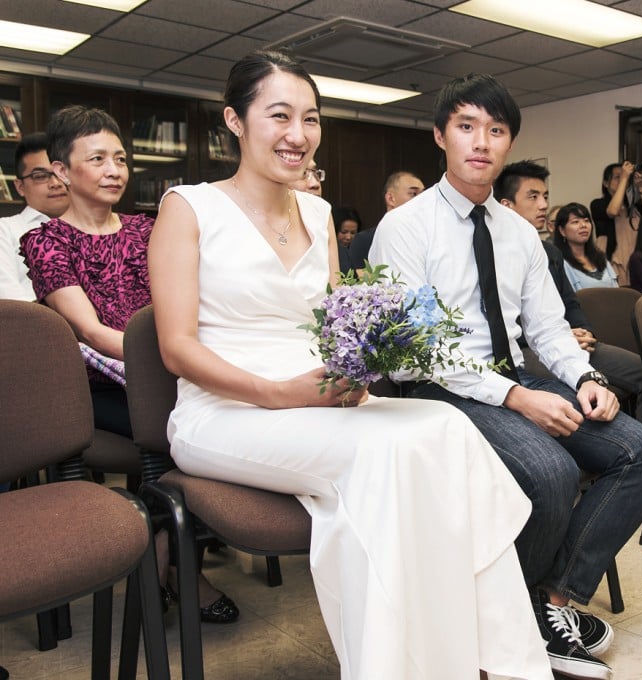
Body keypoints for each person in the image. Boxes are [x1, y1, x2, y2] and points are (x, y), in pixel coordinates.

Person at [149, 51, 551, 680]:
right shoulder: (188, 207)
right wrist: (279, 393)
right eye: (278, 116)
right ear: (234, 120)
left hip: (317, 396)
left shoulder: (317, 212)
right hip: (224, 408)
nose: (297, 135)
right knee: (387, 456)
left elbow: (339, 324)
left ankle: (485, 654)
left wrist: (357, 371)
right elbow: (176, 348)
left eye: (310, 119)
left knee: (445, 430)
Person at [371, 73, 642, 680]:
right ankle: (516, 617)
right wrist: (515, 396)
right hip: (439, 386)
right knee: (549, 471)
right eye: (466, 127)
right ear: (440, 136)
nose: (481, 142)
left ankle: (547, 601)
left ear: (508, 144)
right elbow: (420, 348)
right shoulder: (406, 229)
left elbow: (548, 327)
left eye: (497, 130)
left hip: (513, 379)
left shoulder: (520, 234)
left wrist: (586, 377)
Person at [19, 105, 239, 623]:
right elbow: (91, 331)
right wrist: (171, 358)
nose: (115, 169)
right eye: (97, 159)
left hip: (169, 373)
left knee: (207, 424)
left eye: (120, 157)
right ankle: (181, 569)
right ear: (60, 171)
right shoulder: (45, 241)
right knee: (182, 431)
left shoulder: (150, 229)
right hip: (101, 389)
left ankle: (162, 561)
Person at [495, 161, 642, 523]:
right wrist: (563, 336)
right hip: (526, 351)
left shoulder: (548, 252)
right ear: (506, 206)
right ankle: (604, 476)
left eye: (545, 196)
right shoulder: (493, 250)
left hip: (571, 342)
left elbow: (569, 302)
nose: (541, 205)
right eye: (532, 196)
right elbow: (506, 320)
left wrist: (581, 330)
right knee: (567, 387)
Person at [1, 133, 69, 300]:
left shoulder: (96, 229)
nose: (55, 183)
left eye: (61, 173)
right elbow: (9, 301)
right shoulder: (5, 230)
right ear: (20, 187)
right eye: (40, 176)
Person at [589, 161, 642, 287]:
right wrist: (624, 178)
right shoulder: (597, 204)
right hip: (612, 259)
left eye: (624, 176)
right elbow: (612, 211)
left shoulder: (633, 205)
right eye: (617, 177)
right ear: (606, 183)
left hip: (636, 257)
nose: (623, 178)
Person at [347, 170, 424, 269]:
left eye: (423, 194)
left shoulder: (427, 238)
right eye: (413, 194)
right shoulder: (364, 240)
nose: (421, 200)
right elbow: (364, 280)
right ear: (391, 198)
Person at [552, 203, 617, 291]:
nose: (583, 225)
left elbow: (617, 292)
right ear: (562, 230)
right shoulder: (561, 264)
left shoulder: (601, 257)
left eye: (586, 220)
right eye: (575, 222)